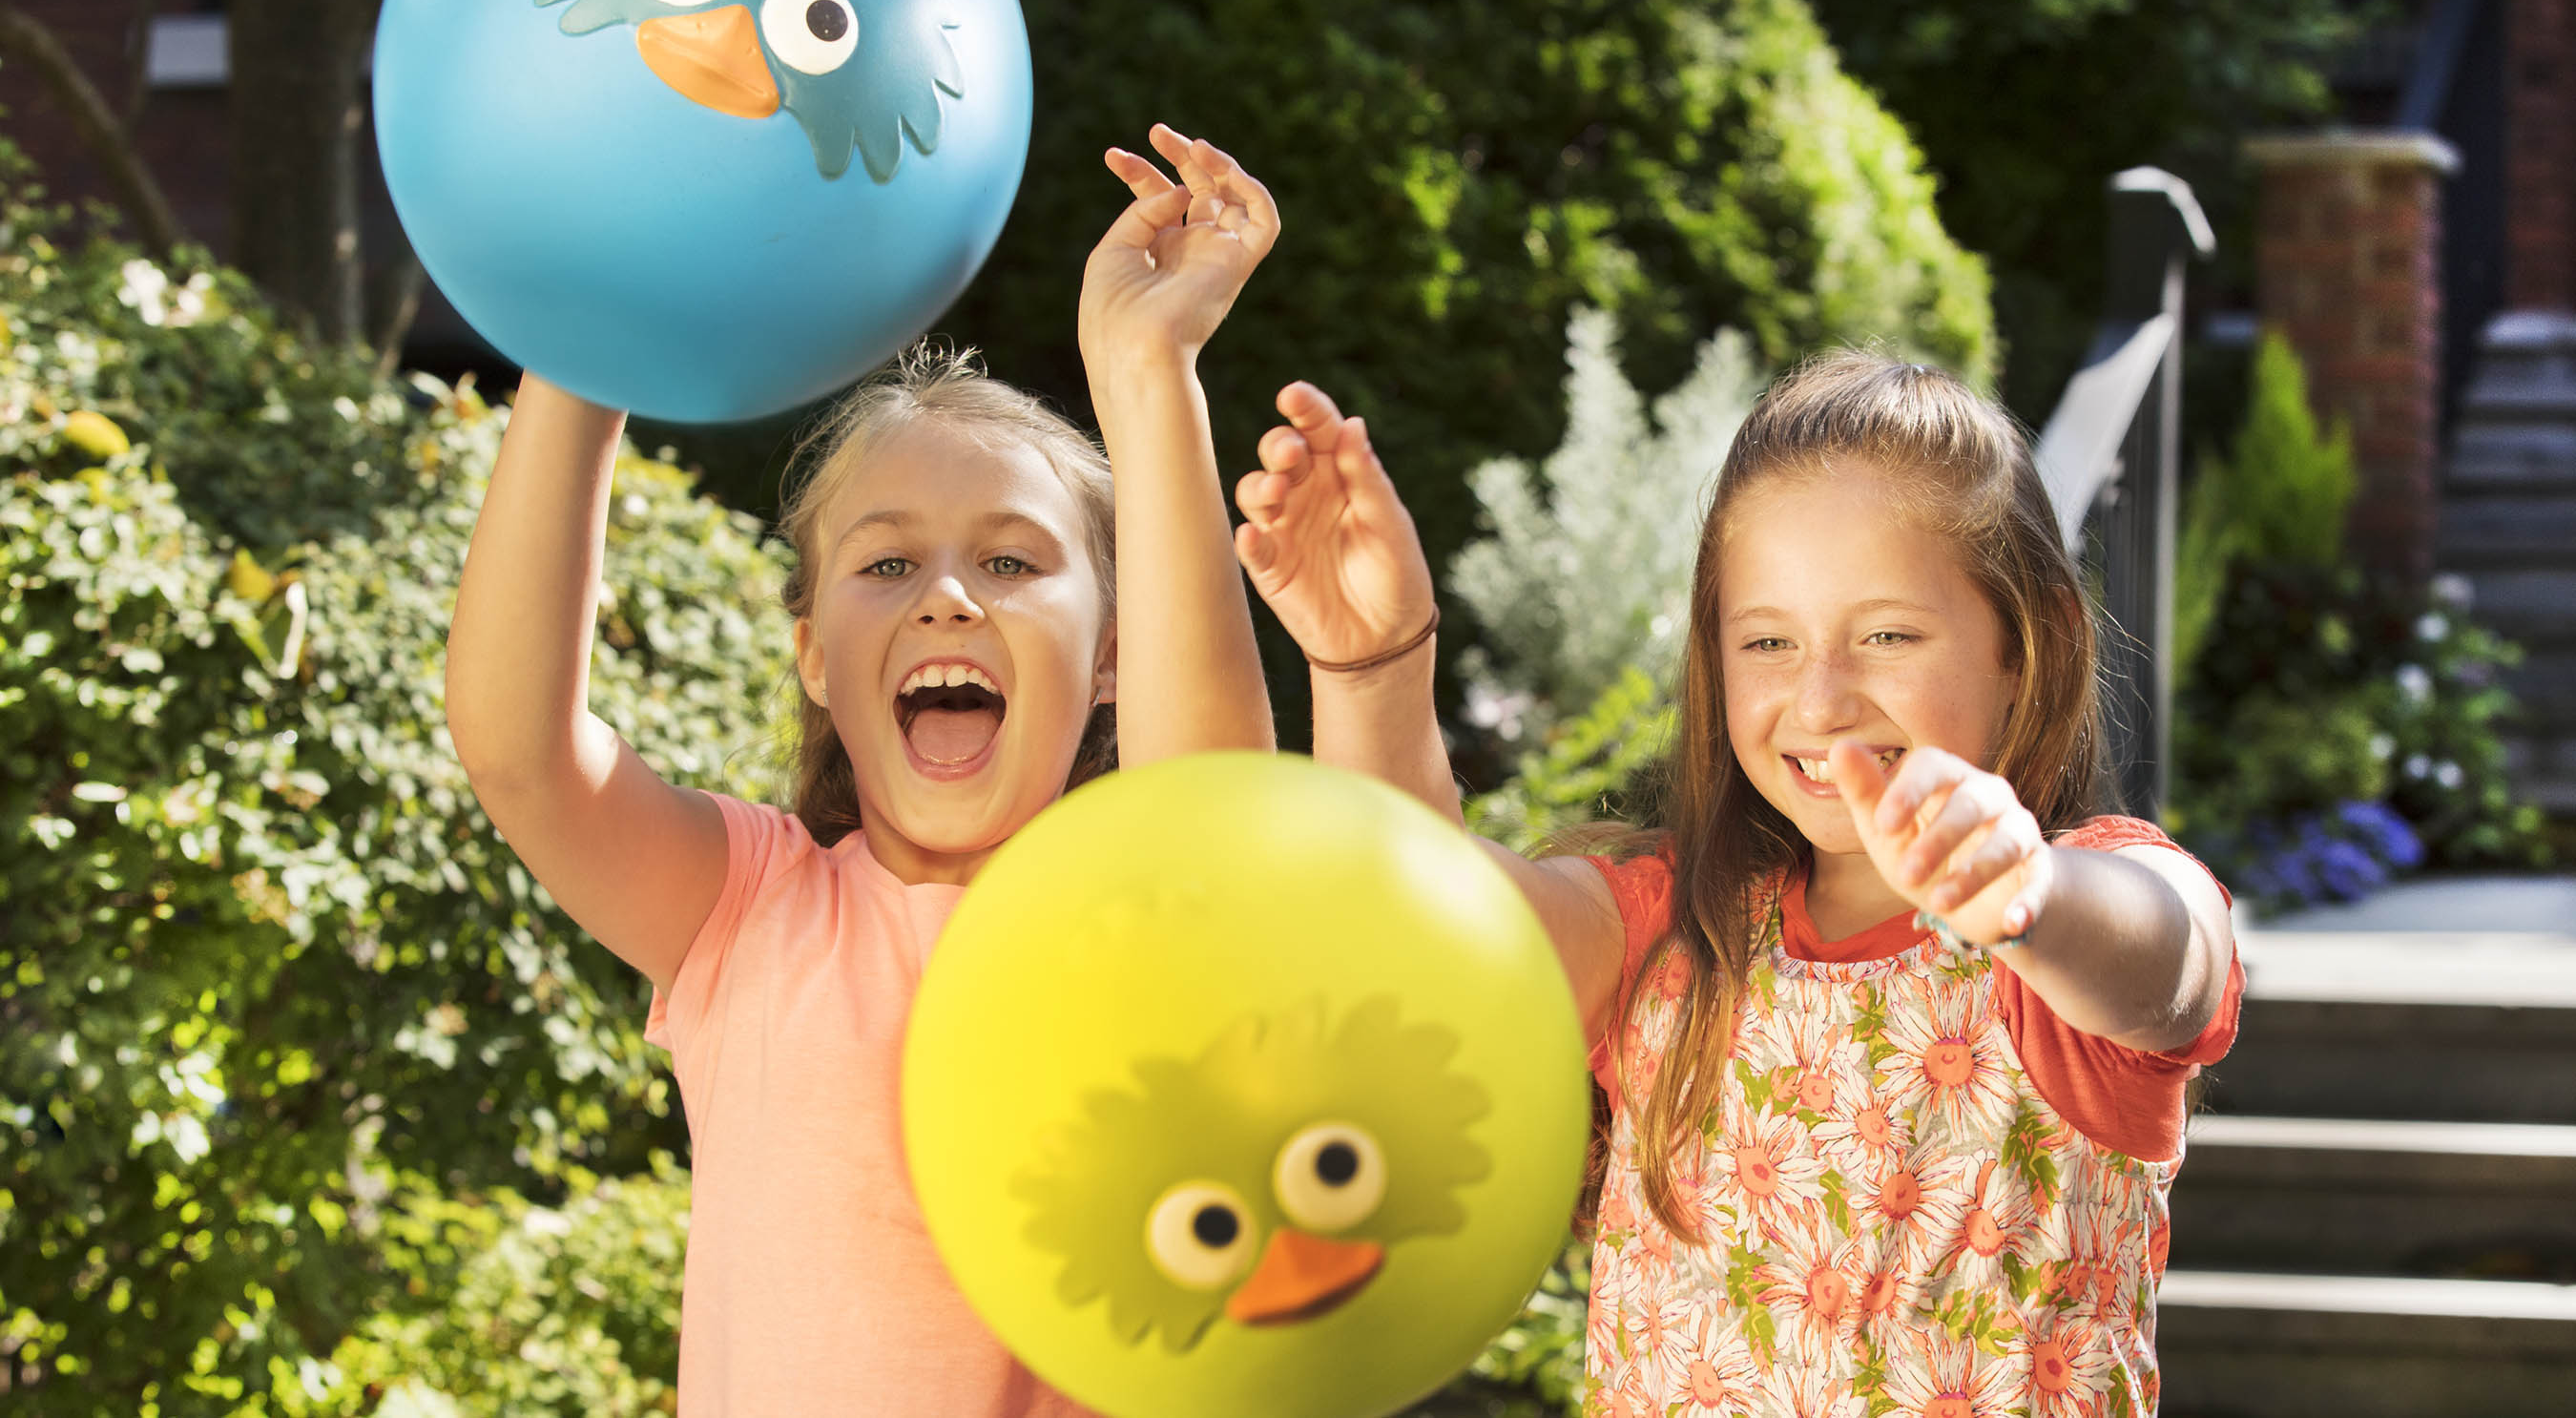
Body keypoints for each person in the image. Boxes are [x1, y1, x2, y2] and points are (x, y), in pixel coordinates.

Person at [445, 125, 1286, 1416]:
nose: (949, 594)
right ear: (817, 656)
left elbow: (1210, 819)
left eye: (1011, 561)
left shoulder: (1132, 913)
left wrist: (1149, 366)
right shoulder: (750, 909)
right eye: (888, 564)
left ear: (1117, 651)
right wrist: (585, 353)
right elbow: (519, 751)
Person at [1230, 350, 2242, 1417]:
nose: (1820, 700)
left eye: (1888, 635)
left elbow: (2169, 961)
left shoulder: (2077, 924)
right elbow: (1423, 914)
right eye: (1767, 641)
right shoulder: (1663, 931)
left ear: (2027, 648)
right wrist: (1373, 661)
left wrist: (2031, 894)